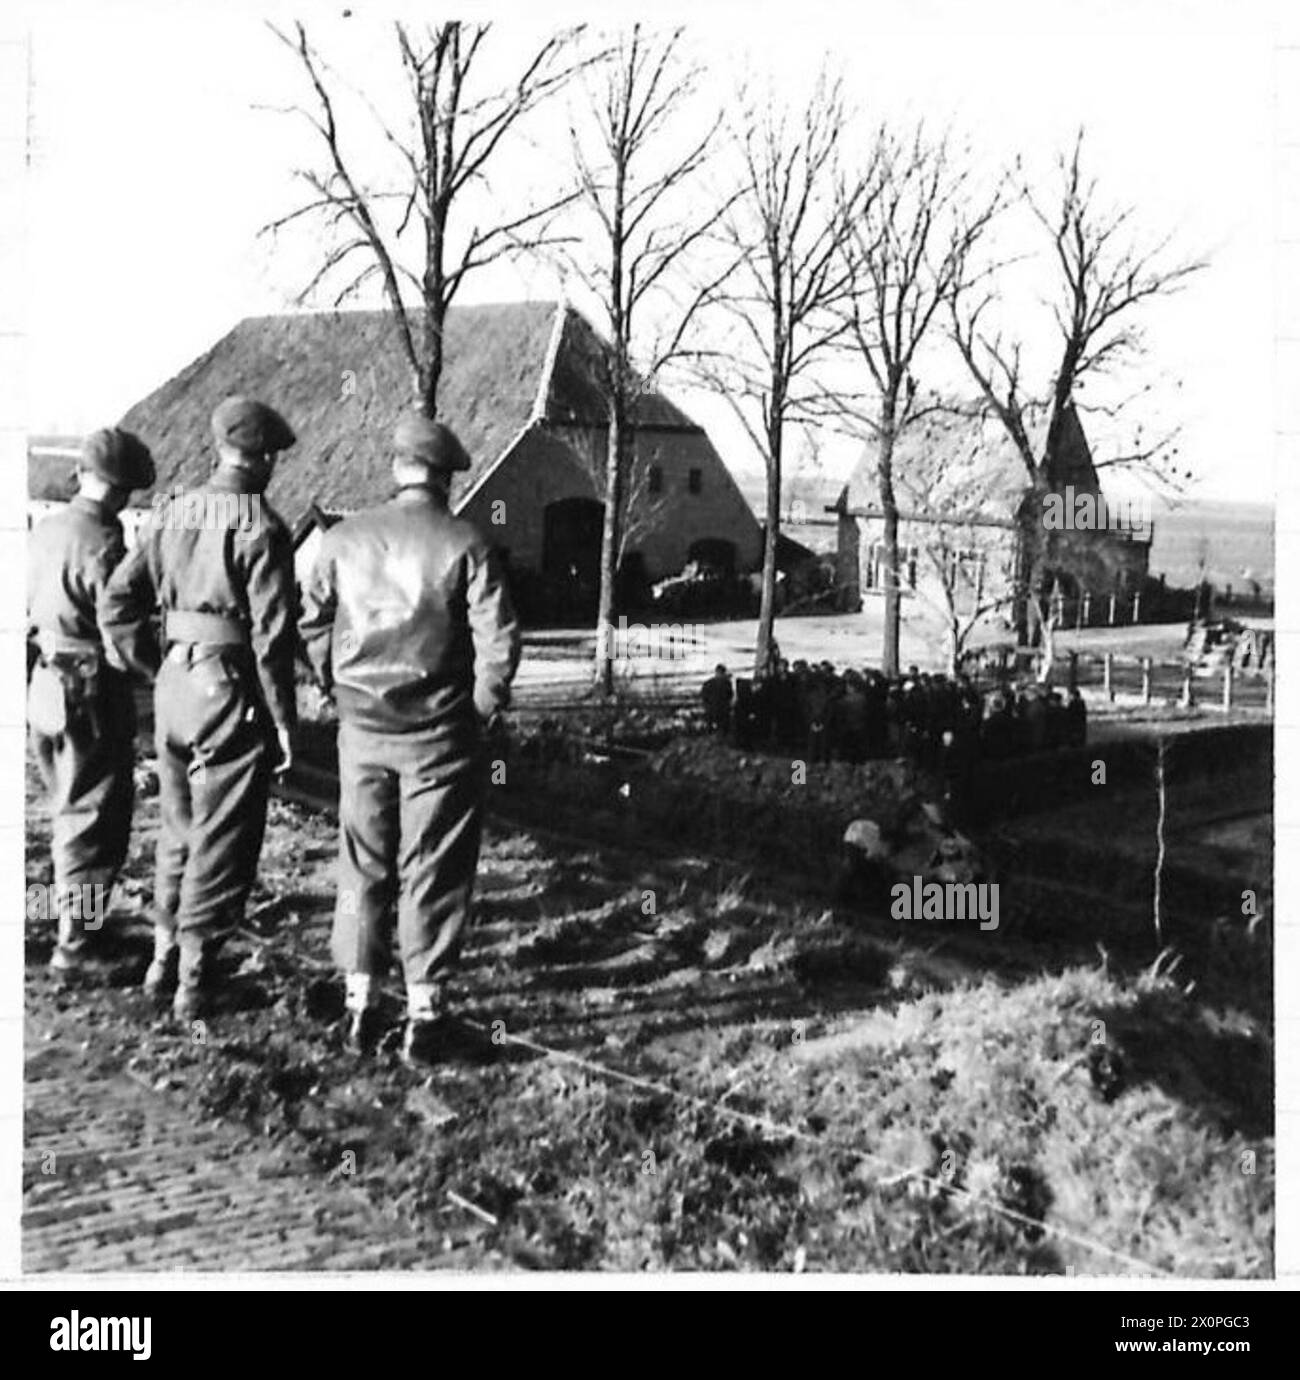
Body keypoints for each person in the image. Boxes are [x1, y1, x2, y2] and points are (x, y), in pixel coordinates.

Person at [299, 414, 521, 1066]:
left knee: (361, 862)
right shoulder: (467, 543)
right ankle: (425, 1017)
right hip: (439, 737)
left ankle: (360, 1002)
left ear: (396, 467)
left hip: (361, 729)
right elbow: (499, 639)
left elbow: (310, 621)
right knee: (434, 866)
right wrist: (480, 708)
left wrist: (334, 687)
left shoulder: (343, 539)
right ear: (447, 477)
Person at [100, 397, 299, 1020]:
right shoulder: (261, 525)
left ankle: (162, 959)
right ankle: (198, 979)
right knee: (224, 837)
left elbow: (117, 600)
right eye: (272, 457)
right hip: (228, 690)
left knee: (179, 829)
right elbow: (272, 638)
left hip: (175, 690)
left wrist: (150, 668)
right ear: (261, 457)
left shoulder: (173, 511)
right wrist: (285, 723)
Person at [28, 428, 156, 978]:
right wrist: (157, 673)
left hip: (44, 682)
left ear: (81, 475)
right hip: (88, 689)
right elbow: (119, 630)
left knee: (64, 807)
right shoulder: (105, 544)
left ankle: (75, 925)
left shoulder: (46, 531)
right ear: (125, 492)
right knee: (92, 818)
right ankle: (77, 946)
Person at [701, 664, 733, 735]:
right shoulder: (727, 683)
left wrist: (707, 706)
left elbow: (704, 697)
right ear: (723, 673)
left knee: (710, 725)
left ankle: (710, 734)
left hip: (710, 710)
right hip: (722, 711)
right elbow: (730, 696)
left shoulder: (707, 683)